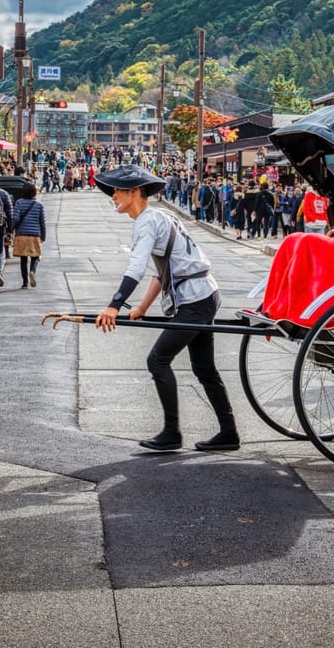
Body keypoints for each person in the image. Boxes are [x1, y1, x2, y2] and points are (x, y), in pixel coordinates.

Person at [94, 165, 239, 453]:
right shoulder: (160, 216)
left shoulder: (147, 221)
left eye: (117, 191)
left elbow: (136, 268)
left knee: (157, 360)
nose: (112, 196)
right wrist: (141, 307)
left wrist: (113, 305)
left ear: (135, 192)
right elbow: (162, 272)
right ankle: (229, 433)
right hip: (203, 294)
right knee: (204, 368)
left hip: (195, 299)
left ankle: (172, 432)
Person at [11, 181, 46, 288]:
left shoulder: (19, 203)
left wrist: (10, 229)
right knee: (35, 256)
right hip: (35, 234)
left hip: (21, 234)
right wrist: (43, 236)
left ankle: (25, 282)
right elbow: (42, 223)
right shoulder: (39, 205)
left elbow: (16, 218)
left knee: (23, 258)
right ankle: (32, 271)